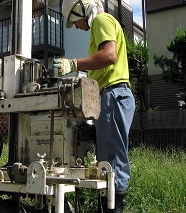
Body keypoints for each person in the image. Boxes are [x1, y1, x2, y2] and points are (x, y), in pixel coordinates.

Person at [53, 0, 135, 212]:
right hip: (112, 96)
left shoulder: (100, 20)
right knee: (108, 158)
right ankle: (107, 206)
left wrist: (73, 64)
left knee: (112, 162)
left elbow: (109, 55)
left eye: (74, 20)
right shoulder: (104, 23)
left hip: (112, 94)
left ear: (80, 8)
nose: (78, 27)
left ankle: (113, 208)